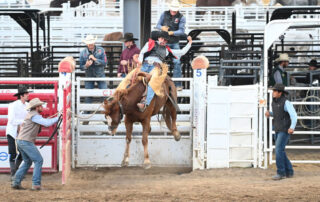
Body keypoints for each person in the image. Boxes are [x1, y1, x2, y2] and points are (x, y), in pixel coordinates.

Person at [136, 31, 192, 112]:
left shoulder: (167, 50)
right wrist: (140, 62)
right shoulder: (150, 43)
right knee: (132, 78)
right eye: (162, 39)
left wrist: (189, 43)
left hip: (155, 68)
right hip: (144, 65)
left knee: (153, 82)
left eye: (165, 40)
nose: (163, 41)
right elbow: (142, 53)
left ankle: (145, 103)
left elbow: (182, 52)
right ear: (159, 38)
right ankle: (123, 96)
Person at [11, 98, 59, 190]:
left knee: (28, 161)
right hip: (26, 141)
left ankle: (16, 182)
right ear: (37, 107)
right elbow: (47, 123)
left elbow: (45, 122)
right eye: (40, 106)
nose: (42, 107)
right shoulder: (35, 116)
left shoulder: (33, 115)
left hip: (21, 140)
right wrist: (59, 117)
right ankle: (36, 184)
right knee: (38, 160)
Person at [265, 83, 297, 180]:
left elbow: (294, 115)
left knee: (279, 150)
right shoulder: (276, 102)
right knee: (281, 151)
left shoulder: (286, 102)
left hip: (283, 129)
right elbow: (278, 114)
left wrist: (292, 127)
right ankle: (289, 171)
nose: (273, 92)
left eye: (275, 91)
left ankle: (281, 172)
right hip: (279, 128)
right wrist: (270, 114)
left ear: (280, 93)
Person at [156, 0, 186, 91]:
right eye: (173, 9)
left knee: (177, 62)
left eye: (175, 10)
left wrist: (172, 32)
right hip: (164, 43)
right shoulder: (164, 14)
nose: (173, 11)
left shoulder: (181, 17)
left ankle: (177, 84)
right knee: (158, 61)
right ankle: (158, 82)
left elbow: (182, 31)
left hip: (174, 43)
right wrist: (161, 28)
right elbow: (157, 25)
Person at [6, 87, 31, 180]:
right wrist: (23, 122)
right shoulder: (13, 105)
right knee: (13, 152)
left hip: (21, 132)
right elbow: (11, 120)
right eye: (26, 94)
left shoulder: (27, 105)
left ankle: (15, 173)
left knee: (22, 152)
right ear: (22, 96)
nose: (28, 95)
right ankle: (14, 174)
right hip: (13, 131)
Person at [79, 35, 108, 104]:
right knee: (88, 95)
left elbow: (105, 62)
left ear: (94, 42)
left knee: (104, 94)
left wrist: (95, 59)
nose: (90, 44)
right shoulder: (83, 52)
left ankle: (105, 111)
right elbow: (81, 67)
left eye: (91, 42)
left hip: (100, 75)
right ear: (86, 43)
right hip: (89, 75)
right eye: (89, 43)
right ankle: (87, 112)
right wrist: (86, 65)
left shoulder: (101, 50)